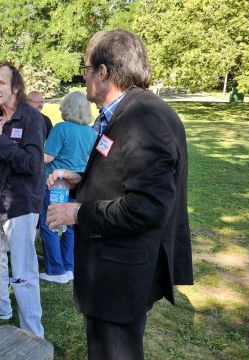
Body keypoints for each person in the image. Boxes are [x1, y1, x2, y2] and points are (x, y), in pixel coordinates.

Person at [46, 30, 193, 359]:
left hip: (120, 278)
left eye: (85, 68)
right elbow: (124, 176)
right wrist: (81, 181)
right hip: (112, 274)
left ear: (103, 72)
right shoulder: (129, 112)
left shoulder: (145, 118)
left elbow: (147, 207)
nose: (83, 78)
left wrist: (77, 213)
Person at [0, 64, 45, 338]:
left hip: (21, 204)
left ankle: (33, 334)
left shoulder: (31, 118)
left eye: (1, 83)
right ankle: (0, 307)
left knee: (23, 272)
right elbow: (5, 156)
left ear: (15, 87)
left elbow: (30, 164)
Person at [38, 91, 96, 284]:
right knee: (70, 224)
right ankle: (69, 266)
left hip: (57, 183)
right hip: (79, 183)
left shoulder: (61, 128)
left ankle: (55, 270)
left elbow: (47, 157)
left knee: (50, 225)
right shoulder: (91, 131)